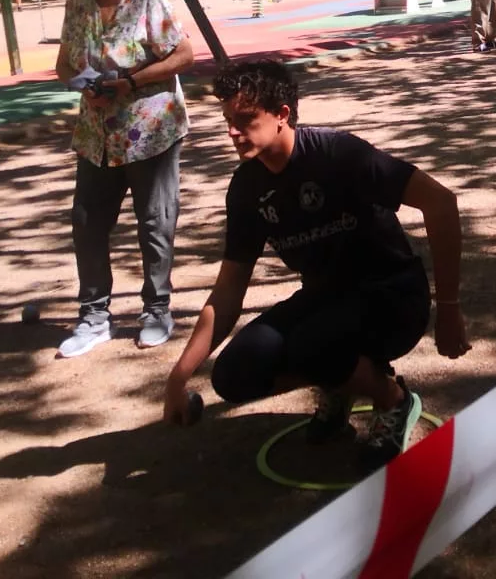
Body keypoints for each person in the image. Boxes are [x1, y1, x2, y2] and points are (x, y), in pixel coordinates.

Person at [162, 60, 471, 473]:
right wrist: (178, 377)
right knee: (235, 374)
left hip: (393, 296)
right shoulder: (247, 188)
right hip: (327, 300)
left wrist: (448, 307)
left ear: (282, 115)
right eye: (227, 121)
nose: (233, 132)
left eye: (245, 119)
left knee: (312, 345)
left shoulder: (336, 154)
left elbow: (441, 201)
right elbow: (228, 291)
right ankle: (341, 382)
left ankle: (392, 399)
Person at [54, 0, 195, 358]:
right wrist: (83, 86)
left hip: (150, 129)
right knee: (87, 223)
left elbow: (184, 54)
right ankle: (94, 316)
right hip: (96, 134)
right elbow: (64, 63)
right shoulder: (78, 1)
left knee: (154, 221)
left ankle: (156, 310)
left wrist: (130, 83)